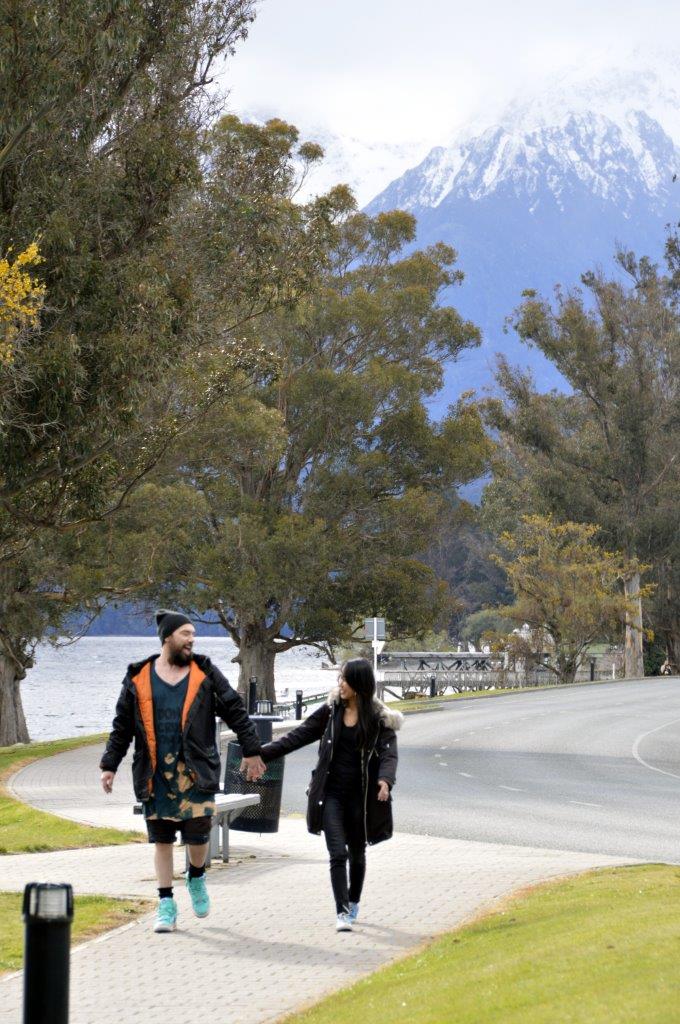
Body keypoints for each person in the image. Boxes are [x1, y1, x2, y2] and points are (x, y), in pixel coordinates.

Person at [100, 610, 266, 933]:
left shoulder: (204, 673)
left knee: (198, 835)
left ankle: (197, 876)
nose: (191, 640)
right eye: (185, 634)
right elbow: (122, 726)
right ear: (167, 638)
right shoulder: (138, 678)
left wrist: (252, 748)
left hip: (196, 772)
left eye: (193, 635)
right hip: (154, 775)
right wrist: (109, 764)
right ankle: (166, 904)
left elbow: (233, 707)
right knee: (161, 840)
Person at [251, 657, 402, 932]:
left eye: (345, 678)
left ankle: (354, 901)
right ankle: (342, 912)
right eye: (339, 678)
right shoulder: (330, 712)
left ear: (358, 684)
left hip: (361, 797)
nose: (340, 683)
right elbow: (297, 736)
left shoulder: (379, 720)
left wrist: (384, 781)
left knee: (357, 854)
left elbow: (389, 754)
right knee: (337, 854)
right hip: (330, 794)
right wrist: (259, 753)